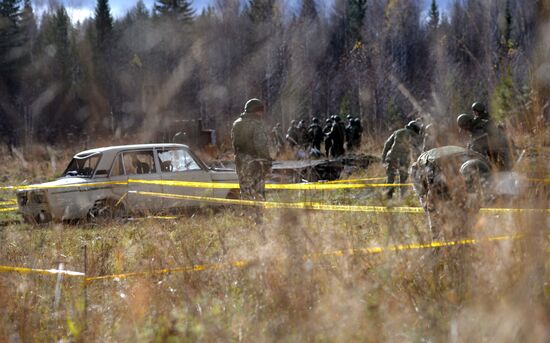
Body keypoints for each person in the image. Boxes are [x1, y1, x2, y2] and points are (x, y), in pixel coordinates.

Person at [231, 98, 272, 203]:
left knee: (245, 193)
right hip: (255, 163)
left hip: (240, 162)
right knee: (258, 194)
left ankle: (248, 216)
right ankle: (258, 218)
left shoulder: (236, 123)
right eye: (260, 110)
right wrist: (267, 161)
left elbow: (234, 144)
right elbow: (261, 145)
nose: (261, 113)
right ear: (255, 110)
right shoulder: (256, 124)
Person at [381, 120, 423, 198]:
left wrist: (383, 157)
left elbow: (387, 144)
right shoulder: (414, 136)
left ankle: (388, 196)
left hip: (392, 157)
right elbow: (417, 150)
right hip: (404, 159)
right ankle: (402, 197)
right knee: (403, 179)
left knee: (390, 178)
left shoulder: (398, 132)